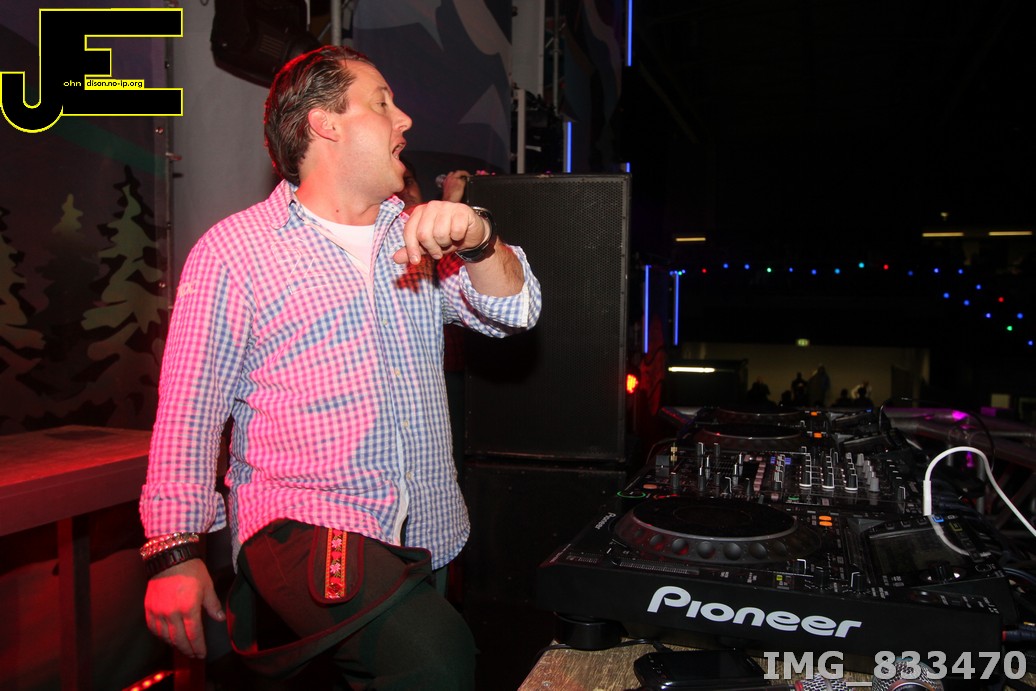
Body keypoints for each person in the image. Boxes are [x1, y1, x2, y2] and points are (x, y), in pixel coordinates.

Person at [138, 45, 541, 689]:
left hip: (427, 525)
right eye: (382, 103)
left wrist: (480, 239)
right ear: (324, 123)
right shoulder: (237, 250)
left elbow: (515, 312)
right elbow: (191, 407)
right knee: (434, 661)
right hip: (302, 522)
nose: (404, 119)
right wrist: (175, 552)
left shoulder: (418, 236)